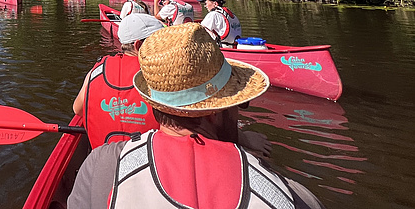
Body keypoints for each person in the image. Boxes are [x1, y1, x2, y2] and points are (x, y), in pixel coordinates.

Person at [68, 23, 323, 209]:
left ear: (155, 103)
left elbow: (77, 111)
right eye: (239, 104)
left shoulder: (99, 165)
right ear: (215, 112)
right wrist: (242, 139)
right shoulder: (296, 197)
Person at [73, 14, 163, 149]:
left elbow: (78, 110)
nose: (164, 47)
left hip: (102, 160)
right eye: (158, 42)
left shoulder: (97, 71)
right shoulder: (161, 75)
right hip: (149, 163)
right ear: (138, 46)